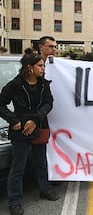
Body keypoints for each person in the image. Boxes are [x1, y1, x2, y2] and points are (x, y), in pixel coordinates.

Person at [0, 50, 59, 215]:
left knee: (41, 162)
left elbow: (48, 103)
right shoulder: (15, 84)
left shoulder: (44, 84)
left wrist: (36, 120)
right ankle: (15, 202)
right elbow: (1, 104)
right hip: (20, 131)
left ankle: (45, 189)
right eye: (40, 66)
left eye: (43, 66)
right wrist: (13, 120)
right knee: (18, 166)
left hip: (39, 127)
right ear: (29, 68)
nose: (43, 69)